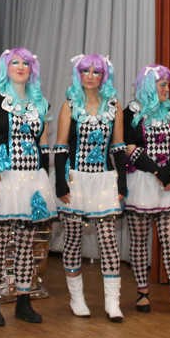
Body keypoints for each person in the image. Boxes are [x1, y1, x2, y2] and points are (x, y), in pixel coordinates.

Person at [0, 47, 57, 326]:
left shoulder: (40, 103)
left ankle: (23, 301)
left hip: (31, 180)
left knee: (26, 245)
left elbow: (43, 145)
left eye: (26, 63)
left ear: (32, 70)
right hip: (3, 180)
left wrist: (43, 180)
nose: (20, 67)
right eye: (15, 62)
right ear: (5, 68)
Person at [53, 54, 127, 322]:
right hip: (76, 179)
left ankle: (112, 303)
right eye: (86, 71)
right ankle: (77, 298)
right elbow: (61, 146)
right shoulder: (69, 106)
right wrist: (60, 182)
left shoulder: (114, 106)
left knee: (109, 241)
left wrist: (122, 182)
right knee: (73, 239)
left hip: (104, 180)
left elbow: (118, 147)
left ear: (104, 76)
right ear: (79, 74)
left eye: (97, 72)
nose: (91, 76)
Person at [123, 64, 170, 317]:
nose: (167, 89)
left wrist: (167, 172)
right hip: (141, 182)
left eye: (168, 85)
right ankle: (142, 292)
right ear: (148, 86)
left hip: (168, 181)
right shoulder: (131, 111)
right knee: (139, 240)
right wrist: (157, 172)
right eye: (162, 84)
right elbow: (129, 148)